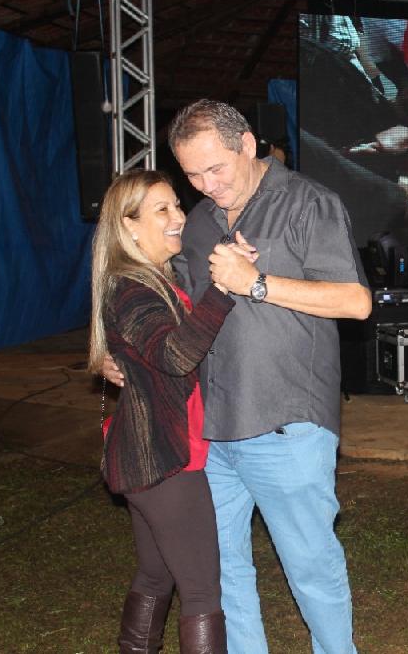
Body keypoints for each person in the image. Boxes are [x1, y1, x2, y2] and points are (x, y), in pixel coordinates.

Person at [105, 99, 371, 653]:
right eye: (193, 176)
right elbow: (173, 312)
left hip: (286, 425)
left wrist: (257, 283)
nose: (207, 186)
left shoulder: (308, 203)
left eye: (216, 168)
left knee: (310, 566)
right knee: (221, 573)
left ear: (247, 145)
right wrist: (121, 356)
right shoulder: (199, 222)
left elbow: (355, 302)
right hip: (209, 434)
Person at [88, 170, 237, 653]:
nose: (178, 217)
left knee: (156, 574)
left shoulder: (149, 281)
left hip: (148, 454)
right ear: (129, 226)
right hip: (164, 459)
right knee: (201, 590)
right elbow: (175, 355)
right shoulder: (133, 288)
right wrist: (224, 291)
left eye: (177, 205)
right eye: (162, 210)